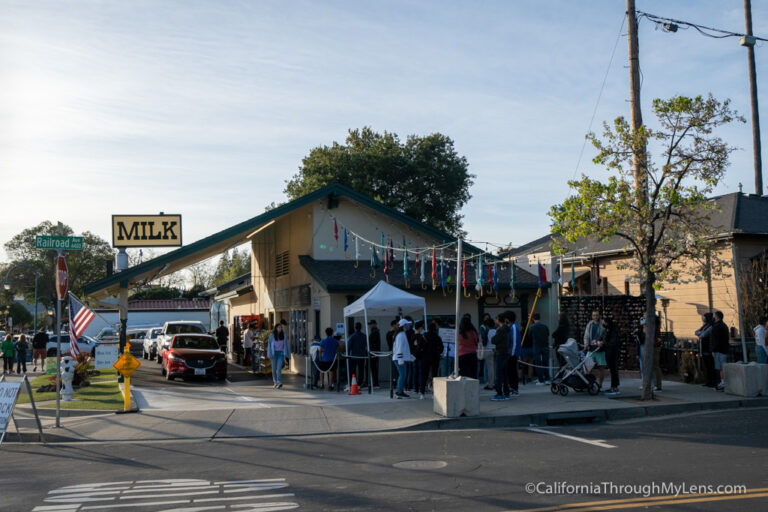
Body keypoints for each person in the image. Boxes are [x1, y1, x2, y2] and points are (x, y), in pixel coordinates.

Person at [583, 310, 607, 389]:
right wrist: (586, 343)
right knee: (588, 367)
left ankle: (600, 385)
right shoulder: (590, 324)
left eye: (597, 315)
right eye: (594, 315)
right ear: (592, 316)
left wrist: (602, 342)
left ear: (599, 316)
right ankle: (587, 383)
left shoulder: (602, 324)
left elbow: (605, 335)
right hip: (591, 348)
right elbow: (586, 335)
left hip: (600, 349)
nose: (595, 317)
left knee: (601, 367)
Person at [491, 314, 510, 401]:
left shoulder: (500, 330)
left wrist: (494, 336)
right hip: (506, 352)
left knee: (498, 374)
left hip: (500, 353)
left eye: (496, 319)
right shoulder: (507, 329)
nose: (495, 321)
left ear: (498, 320)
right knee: (505, 374)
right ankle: (507, 393)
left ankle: (499, 393)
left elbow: (494, 340)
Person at [392, 318, 413, 398]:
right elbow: (399, 348)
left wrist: (409, 357)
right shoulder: (401, 335)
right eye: (407, 324)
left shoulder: (401, 334)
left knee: (402, 375)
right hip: (399, 359)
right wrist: (401, 360)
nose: (408, 326)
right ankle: (399, 391)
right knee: (402, 375)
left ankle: (400, 391)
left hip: (399, 358)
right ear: (404, 325)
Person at [696, 313, 717, 387]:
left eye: (704, 318)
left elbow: (703, 335)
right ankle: (708, 381)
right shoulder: (704, 326)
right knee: (706, 367)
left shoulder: (711, 326)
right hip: (703, 349)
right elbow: (697, 332)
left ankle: (712, 381)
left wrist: (700, 333)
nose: (703, 320)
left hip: (708, 349)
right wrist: (700, 331)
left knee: (710, 366)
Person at [711, 311, 730, 391]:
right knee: (723, 366)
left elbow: (716, 340)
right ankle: (723, 382)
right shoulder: (724, 325)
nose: (713, 317)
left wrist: (713, 349)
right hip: (724, 349)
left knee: (720, 367)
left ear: (717, 317)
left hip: (719, 350)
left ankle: (722, 383)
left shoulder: (716, 327)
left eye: (715, 316)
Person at [267, 323, 290, 388]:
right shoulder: (271, 336)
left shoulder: (284, 335)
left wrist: (287, 353)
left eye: (281, 327)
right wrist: (269, 353)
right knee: (274, 369)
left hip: (281, 353)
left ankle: (279, 381)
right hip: (273, 353)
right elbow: (269, 345)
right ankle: (275, 381)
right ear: (276, 328)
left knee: (279, 368)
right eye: (279, 327)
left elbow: (286, 345)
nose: (280, 329)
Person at [529, 313, 550, 385]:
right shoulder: (545, 326)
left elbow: (529, 336)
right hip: (545, 345)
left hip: (536, 346)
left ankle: (540, 380)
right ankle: (547, 379)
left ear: (533, 319)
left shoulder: (532, 327)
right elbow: (548, 334)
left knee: (538, 363)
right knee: (545, 363)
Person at [603, 318, 621, 395]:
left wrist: (604, 343)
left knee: (614, 370)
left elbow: (612, 343)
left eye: (604, 323)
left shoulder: (613, 331)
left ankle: (614, 387)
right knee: (613, 370)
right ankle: (613, 386)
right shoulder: (609, 330)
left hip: (612, 353)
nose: (603, 324)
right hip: (610, 352)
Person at [347, 322, 368, 388]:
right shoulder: (364, 336)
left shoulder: (352, 336)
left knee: (352, 370)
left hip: (353, 356)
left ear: (355, 328)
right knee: (361, 370)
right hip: (362, 355)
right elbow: (365, 345)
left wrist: (348, 355)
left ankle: (353, 382)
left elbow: (349, 346)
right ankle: (359, 383)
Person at [411, 320, 429, 399]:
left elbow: (411, 346)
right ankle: (421, 388)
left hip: (413, 356)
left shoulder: (412, 336)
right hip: (421, 357)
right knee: (421, 373)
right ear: (420, 328)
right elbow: (424, 346)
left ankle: (415, 388)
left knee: (415, 372)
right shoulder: (421, 336)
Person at [424, 320, 443, 390]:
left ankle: (423, 391)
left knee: (425, 373)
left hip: (426, 357)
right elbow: (441, 347)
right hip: (435, 357)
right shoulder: (437, 337)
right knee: (435, 374)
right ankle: (434, 389)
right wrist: (438, 352)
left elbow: (421, 346)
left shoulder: (424, 336)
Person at [507, 311, 521, 396]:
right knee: (511, 372)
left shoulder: (514, 327)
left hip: (513, 353)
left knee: (512, 372)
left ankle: (514, 389)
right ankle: (513, 388)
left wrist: (511, 354)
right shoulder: (512, 326)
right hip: (512, 353)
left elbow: (515, 342)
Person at [481, 316, 496, 390]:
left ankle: (490, 384)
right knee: (494, 368)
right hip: (495, 350)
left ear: (487, 325)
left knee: (490, 369)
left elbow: (485, 342)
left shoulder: (488, 332)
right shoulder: (496, 331)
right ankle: (494, 382)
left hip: (488, 350)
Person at [367, 319, 381, 387]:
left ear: (374, 324)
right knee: (373, 368)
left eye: (370, 324)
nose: (369, 325)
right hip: (374, 352)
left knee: (374, 368)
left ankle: (375, 383)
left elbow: (372, 343)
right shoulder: (374, 331)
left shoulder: (375, 332)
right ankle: (375, 382)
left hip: (374, 352)